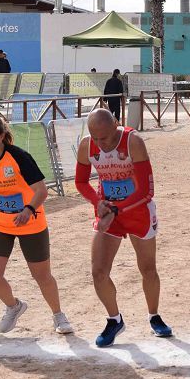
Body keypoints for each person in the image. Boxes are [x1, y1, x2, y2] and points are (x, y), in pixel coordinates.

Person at [0, 113, 73, 334]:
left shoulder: (19, 157)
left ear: (2, 136)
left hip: (30, 222)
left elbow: (41, 190)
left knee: (42, 275)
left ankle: (59, 316)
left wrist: (28, 209)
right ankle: (13, 306)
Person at [74, 108, 171, 347]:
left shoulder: (133, 142)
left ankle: (154, 316)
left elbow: (146, 190)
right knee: (98, 271)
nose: (100, 144)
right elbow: (80, 181)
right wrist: (98, 203)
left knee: (148, 268)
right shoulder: (87, 145)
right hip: (108, 210)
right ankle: (114, 319)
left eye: (105, 138)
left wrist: (117, 208)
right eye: (95, 137)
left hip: (137, 210)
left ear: (116, 125)